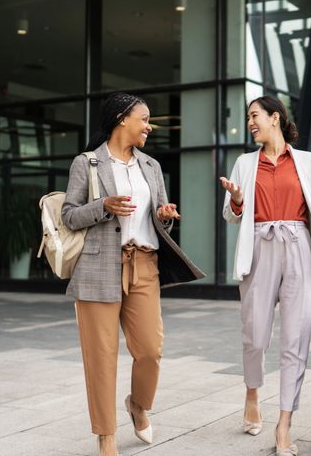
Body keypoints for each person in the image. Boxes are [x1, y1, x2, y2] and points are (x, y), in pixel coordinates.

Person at [220, 96, 311, 456]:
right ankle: (252, 392)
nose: (250, 123)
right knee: (255, 335)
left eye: (254, 116)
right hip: (260, 247)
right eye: (248, 118)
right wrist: (237, 200)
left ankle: (284, 424)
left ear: (275, 118)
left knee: (296, 338)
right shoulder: (245, 163)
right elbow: (231, 215)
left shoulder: (305, 161)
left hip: (298, 248)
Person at [62, 92, 188, 456]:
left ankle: (138, 404)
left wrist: (163, 215)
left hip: (144, 264)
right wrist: (103, 206)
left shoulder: (150, 166)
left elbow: (157, 217)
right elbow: (69, 215)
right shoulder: (87, 164)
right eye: (144, 118)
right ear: (121, 119)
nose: (149, 126)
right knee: (100, 357)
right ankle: (106, 435)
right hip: (99, 266)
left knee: (150, 349)